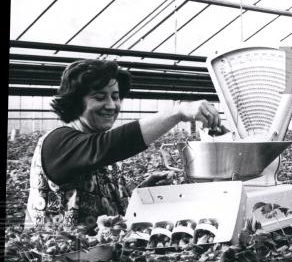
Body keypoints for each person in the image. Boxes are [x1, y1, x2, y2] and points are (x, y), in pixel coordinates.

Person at [24, 59, 222, 230]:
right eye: (100, 97)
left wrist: (140, 192)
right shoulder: (58, 142)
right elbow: (105, 147)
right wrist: (178, 112)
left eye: (115, 97)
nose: (111, 105)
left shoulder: (96, 147)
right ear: (76, 101)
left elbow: (106, 211)